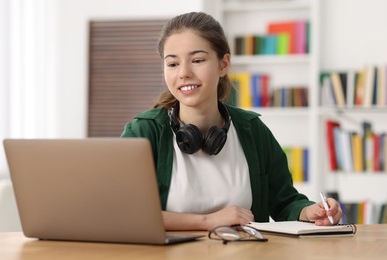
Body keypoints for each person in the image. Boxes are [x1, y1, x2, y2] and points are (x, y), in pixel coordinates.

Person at [121, 11, 343, 231]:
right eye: (172, 64)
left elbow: (285, 202)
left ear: (223, 64)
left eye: (197, 60)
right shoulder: (144, 131)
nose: (184, 73)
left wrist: (310, 211)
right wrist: (208, 221)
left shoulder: (251, 129)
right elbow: (124, 212)